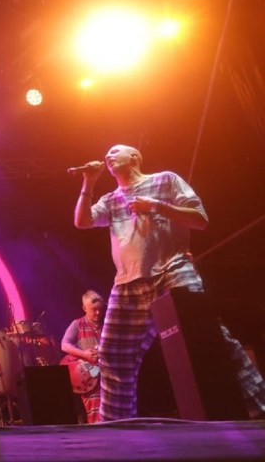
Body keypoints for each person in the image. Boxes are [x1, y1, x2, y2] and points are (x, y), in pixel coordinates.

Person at [74, 144, 265, 421]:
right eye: (107, 154)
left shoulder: (164, 180)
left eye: (116, 151)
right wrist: (89, 182)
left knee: (211, 338)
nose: (108, 156)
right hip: (128, 283)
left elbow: (200, 220)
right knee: (113, 357)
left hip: (172, 270)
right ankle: (117, 426)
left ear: (135, 157)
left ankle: (260, 406)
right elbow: (82, 222)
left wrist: (156, 205)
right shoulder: (111, 199)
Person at [60, 290, 105, 423]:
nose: (98, 313)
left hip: (108, 373)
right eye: (93, 310)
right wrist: (84, 354)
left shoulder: (107, 325)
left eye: (100, 309)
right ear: (84, 308)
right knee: (96, 412)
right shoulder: (77, 324)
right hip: (90, 374)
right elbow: (64, 345)